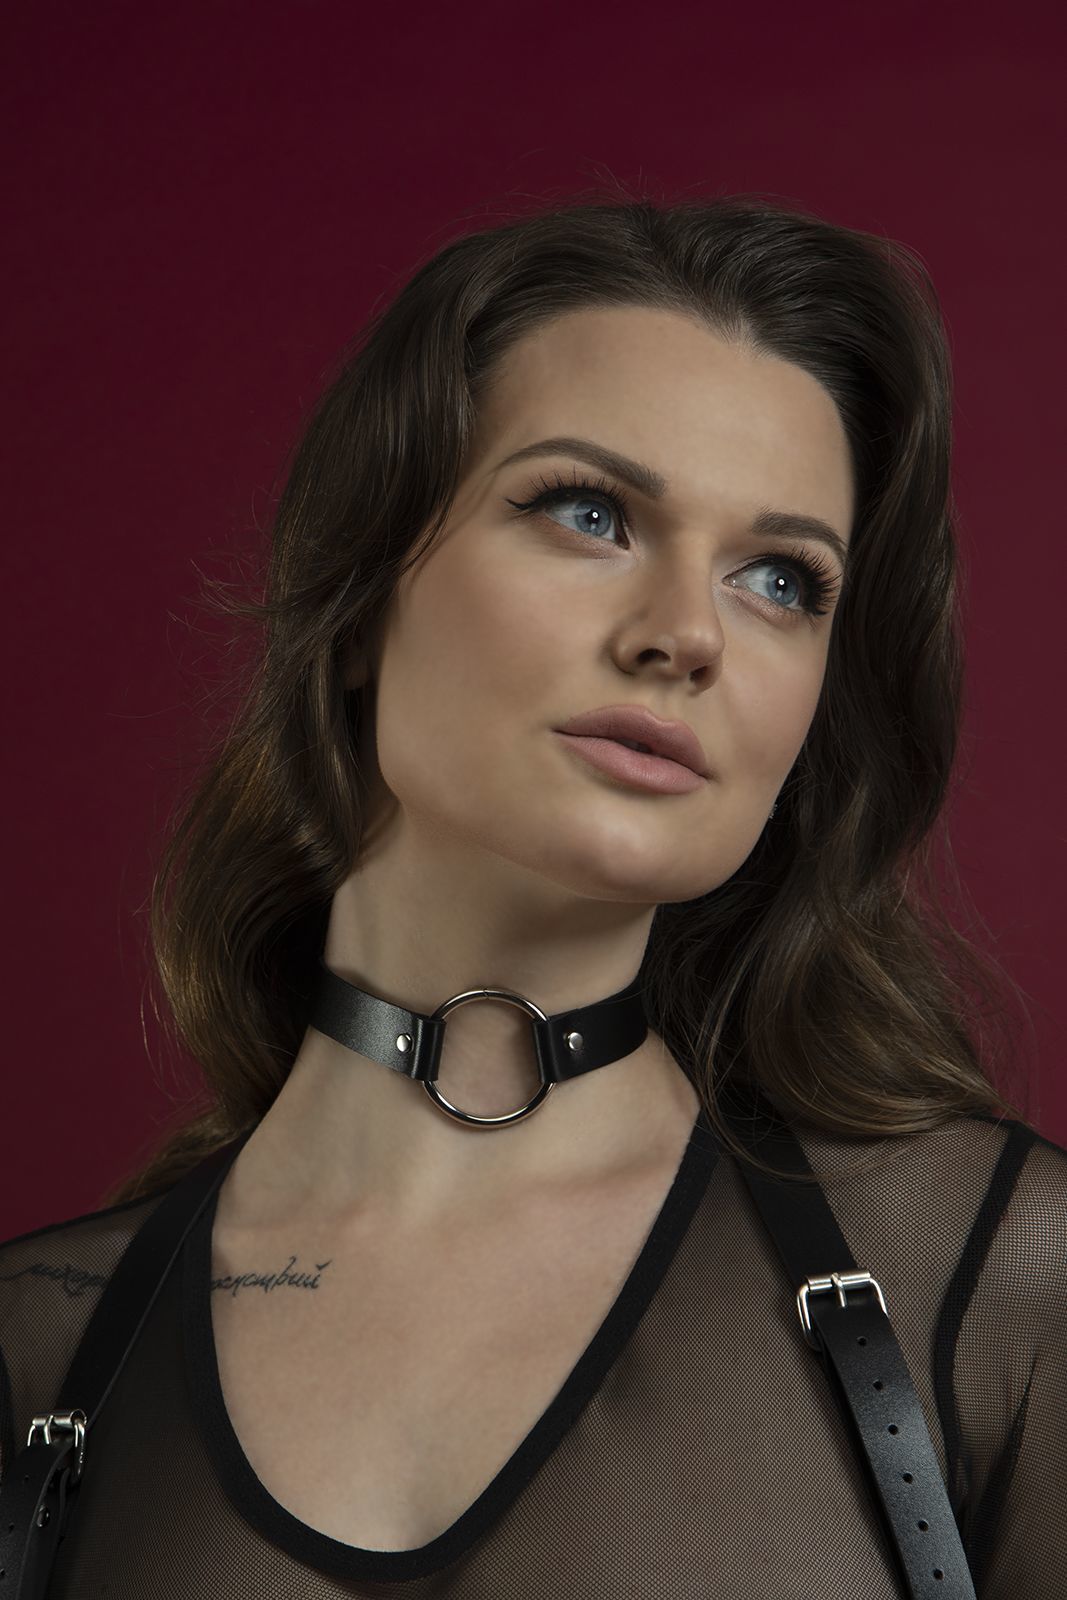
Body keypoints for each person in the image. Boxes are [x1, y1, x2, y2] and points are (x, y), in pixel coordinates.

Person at [2, 186, 1064, 1598]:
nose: (686, 635)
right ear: (360, 591)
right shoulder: (38, 1348)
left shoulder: (1002, 1284)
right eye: (589, 511)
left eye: (779, 579)